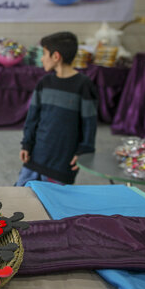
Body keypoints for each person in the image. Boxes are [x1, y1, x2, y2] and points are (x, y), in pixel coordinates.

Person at [15, 32, 98, 186]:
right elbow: (32, 117)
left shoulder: (83, 85)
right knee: (22, 191)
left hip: (63, 161)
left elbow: (89, 122)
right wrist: (27, 144)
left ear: (56, 56)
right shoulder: (44, 83)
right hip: (36, 156)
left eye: (44, 53)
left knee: (54, 202)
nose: (41, 58)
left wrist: (84, 151)